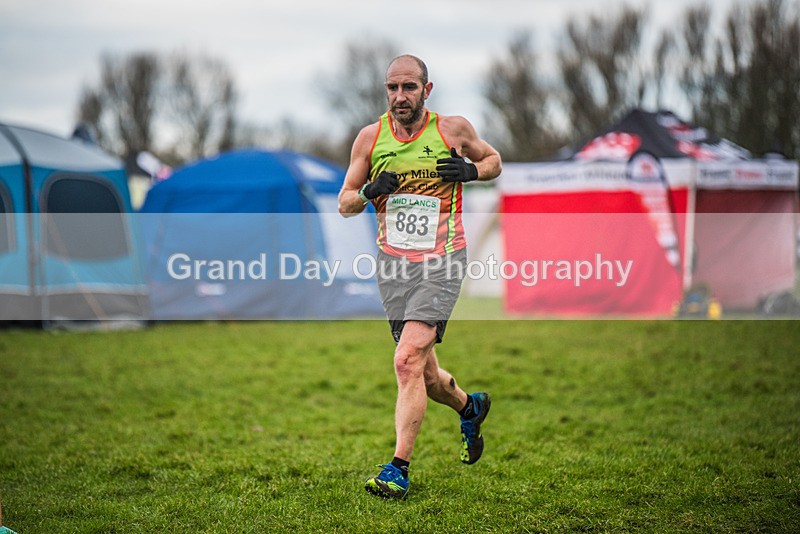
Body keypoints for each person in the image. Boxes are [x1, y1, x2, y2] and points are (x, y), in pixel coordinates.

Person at [338, 54, 502, 499]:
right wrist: (371, 191)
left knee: (406, 360)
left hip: (442, 261)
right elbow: (345, 201)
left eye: (409, 87)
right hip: (393, 266)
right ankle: (471, 406)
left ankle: (398, 470)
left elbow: (494, 161)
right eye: (392, 88)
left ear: (426, 90)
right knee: (424, 376)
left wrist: (470, 171)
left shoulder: (452, 129)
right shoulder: (370, 138)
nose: (399, 97)